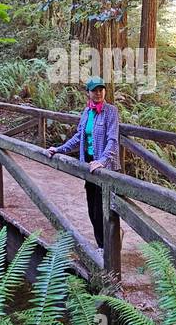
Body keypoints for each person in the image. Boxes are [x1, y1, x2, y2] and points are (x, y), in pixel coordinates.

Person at [46, 77, 120, 249]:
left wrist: (102, 161)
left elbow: (112, 140)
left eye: (101, 89)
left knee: (103, 209)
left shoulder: (111, 111)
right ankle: (102, 244)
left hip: (104, 167)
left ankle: (107, 248)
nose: (98, 93)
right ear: (88, 93)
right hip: (88, 166)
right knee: (92, 209)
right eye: (94, 90)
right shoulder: (87, 112)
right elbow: (79, 136)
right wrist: (59, 149)